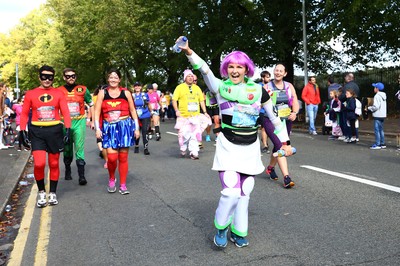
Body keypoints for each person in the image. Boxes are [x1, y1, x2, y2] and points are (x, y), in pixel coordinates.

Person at [176, 37, 292, 248]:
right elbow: (204, 70)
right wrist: (188, 51)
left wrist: (284, 142)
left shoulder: (259, 90)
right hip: (228, 146)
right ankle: (221, 227)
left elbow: (274, 119)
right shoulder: (219, 86)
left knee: (245, 191)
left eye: (240, 66)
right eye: (231, 66)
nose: (235, 70)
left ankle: (239, 232)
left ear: (247, 69)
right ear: (226, 69)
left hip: (250, 147)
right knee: (230, 191)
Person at [20, 65, 71, 207]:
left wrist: (67, 129)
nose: (47, 80)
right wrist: (22, 130)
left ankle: (52, 193)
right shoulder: (31, 93)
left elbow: (65, 112)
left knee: (54, 163)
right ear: (39, 77)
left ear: (53, 78)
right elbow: (24, 113)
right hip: (37, 132)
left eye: (50, 77)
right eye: (44, 76)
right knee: (39, 163)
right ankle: (42, 192)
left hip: (54, 131)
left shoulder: (59, 93)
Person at [94, 68, 140, 195]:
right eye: (111, 77)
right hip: (109, 127)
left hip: (124, 126)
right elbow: (97, 112)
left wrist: (136, 128)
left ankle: (123, 185)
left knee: (123, 157)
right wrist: (98, 129)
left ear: (119, 79)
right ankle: (112, 178)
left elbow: (133, 111)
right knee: (112, 158)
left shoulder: (126, 93)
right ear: (108, 79)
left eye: (115, 77)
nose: (113, 79)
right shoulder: (103, 93)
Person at [264, 63, 299, 188]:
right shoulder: (267, 86)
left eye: (280, 71)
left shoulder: (289, 86)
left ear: (285, 74)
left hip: (285, 119)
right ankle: (287, 177)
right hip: (269, 119)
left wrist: (294, 112)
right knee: (281, 145)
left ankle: (270, 167)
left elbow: (294, 100)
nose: (278, 72)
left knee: (278, 145)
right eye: (276, 70)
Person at [58, 68, 94, 185]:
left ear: (76, 77)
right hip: (64, 124)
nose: (71, 78)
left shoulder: (83, 89)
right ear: (64, 77)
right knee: (67, 148)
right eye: (68, 76)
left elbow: (91, 104)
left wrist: (90, 119)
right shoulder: (58, 91)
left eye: (73, 76)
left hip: (79, 122)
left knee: (79, 147)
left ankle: (81, 176)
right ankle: (67, 169)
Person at [172, 69, 210, 159]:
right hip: (184, 116)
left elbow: (201, 101)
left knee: (195, 134)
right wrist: (176, 110)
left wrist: (205, 112)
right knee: (184, 135)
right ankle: (183, 148)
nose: (190, 78)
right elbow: (174, 100)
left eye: (191, 76)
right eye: (188, 76)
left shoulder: (197, 88)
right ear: (185, 78)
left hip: (195, 116)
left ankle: (194, 152)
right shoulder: (179, 87)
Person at [132, 81, 152, 155]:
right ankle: (136, 145)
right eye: (136, 86)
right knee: (136, 131)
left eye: (138, 86)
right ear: (134, 87)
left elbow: (148, 104)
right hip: (136, 116)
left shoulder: (145, 95)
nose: (137, 87)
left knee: (144, 131)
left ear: (141, 87)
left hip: (145, 115)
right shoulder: (132, 95)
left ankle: (145, 148)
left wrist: (152, 113)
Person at [338, 73, 360, 140]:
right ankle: (355, 136)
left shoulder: (346, 86)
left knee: (346, 123)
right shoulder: (356, 86)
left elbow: (343, 96)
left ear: (348, 78)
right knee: (354, 124)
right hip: (355, 108)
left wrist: (339, 97)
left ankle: (348, 135)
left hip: (347, 107)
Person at [92, 84, 108, 168]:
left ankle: (105, 152)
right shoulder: (96, 98)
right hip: (99, 120)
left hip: (109, 121)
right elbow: (93, 110)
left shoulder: (112, 97)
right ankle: (104, 154)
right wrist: (92, 121)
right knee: (100, 137)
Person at [368, 82, 387, 149]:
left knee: (377, 129)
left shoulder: (377, 96)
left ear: (377, 89)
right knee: (381, 129)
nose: (374, 88)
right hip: (382, 114)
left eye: (375, 87)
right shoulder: (383, 95)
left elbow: (376, 106)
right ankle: (382, 143)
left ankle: (378, 144)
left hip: (377, 114)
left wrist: (369, 108)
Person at [203, 75, 221, 142]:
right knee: (209, 123)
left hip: (216, 106)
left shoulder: (218, 88)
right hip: (209, 107)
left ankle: (217, 135)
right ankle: (208, 135)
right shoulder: (207, 89)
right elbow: (203, 97)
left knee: (217, 121)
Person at [259, 70, 271, 153]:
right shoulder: (258, 86)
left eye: (269, 77)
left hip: (270, 110)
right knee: (264, 128)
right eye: (267, 77)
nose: (269, 79)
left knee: (270, 129)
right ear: (262, 78)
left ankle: (264, 139)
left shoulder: (271, 86)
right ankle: (265, 145)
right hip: (262, 110)